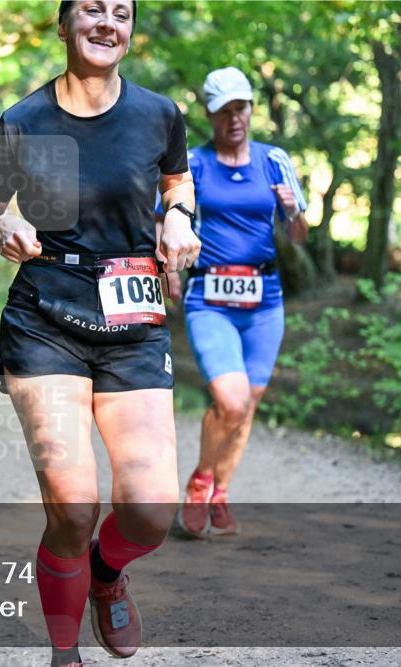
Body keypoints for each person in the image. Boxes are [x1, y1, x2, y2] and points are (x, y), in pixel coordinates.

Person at [0, 2, 200, 664]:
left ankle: (106, 571)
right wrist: (1, 226)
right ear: (62, 25)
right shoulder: (25, 120)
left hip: (132, 319)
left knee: (151, 510)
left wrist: (179, 216)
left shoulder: (159, 114)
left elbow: (178, 184)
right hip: (45, 317)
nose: (107, 23)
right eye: (92, 9)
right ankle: (63, 653)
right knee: (72, 506)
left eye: (121, 13)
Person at [173, 67, 308, 537]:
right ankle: (200, 483)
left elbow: (299, 235)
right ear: (210, 115)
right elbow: (163, 221)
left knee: (247, 404)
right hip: (209, 298)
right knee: (230, 401)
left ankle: (221, 492)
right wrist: (169, 271)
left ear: (251, 109)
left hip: (265, 300)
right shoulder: (194, 163)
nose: (234, 118)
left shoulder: (275, 160)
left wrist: (292, 209)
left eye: (241, 108)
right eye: (224, 111)